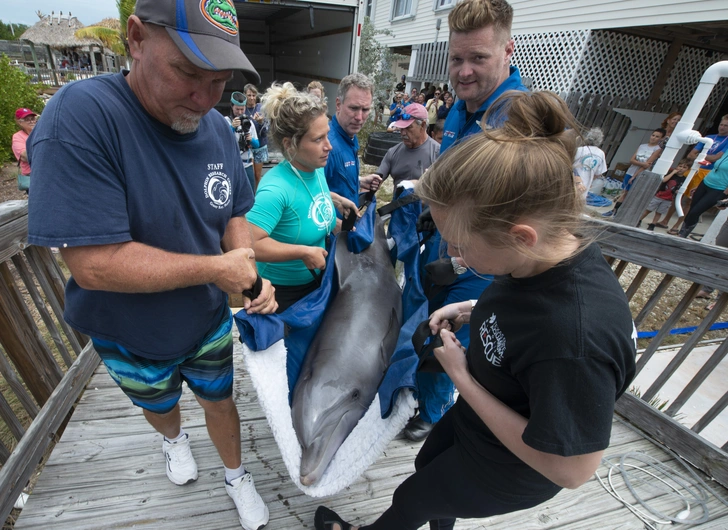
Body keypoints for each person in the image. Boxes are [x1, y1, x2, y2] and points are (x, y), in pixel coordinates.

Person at [314, 90, 637, 530]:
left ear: (521, 237)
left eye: (461, 245)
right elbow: (529, 301)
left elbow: (572, 470)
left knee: (412, 499)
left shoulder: (576, 339)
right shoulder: (548, 253)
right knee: (427, 466)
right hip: (476, 424)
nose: (452, 253)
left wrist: (461, 377)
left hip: (512, 465)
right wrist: (475, 305)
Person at [25, 2, 278, 529]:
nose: (205, 99)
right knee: (157, 400)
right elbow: (95, 264)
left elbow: (232, 210)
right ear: (135, 39)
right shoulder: (82, 115)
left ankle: (235, 475)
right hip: (124, 330)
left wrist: (245, 267)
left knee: (220, 398)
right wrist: (216, 270)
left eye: (220, 81)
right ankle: (172, 439)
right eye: (187, 73)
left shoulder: (214, 127)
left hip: (205, 320)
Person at [404, 0, 528, 443]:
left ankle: (437, 416)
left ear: (508, 50)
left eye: (479, 58)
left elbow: (517, 215)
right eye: (457, 59)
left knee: (450, 343)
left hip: (483, 262)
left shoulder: (518, 119)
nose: (464, 71)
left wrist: (461, 255)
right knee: (427, 329)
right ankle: (423, 397)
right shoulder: (458, 108)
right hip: (444, 248)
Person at [246, 83, 358, 312]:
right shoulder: (274, 190)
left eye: (327, 135)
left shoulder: (314, 167)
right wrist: (302, 252)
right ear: (290, 145)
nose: (329, 146)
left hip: (317, 282)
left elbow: (308, 194)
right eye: (318, 140)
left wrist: (334, 199)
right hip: (281, 295)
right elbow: (251, 245)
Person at [325, 73, 381, 206]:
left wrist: (359, 181)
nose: (359, 117)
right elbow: (309, 193)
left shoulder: (349, 134)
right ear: (338, 104)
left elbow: (335, 178)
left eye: (365, 109)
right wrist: (335, 223)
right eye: (354, 108)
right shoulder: (327, 146)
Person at [664, 114, 728, 232]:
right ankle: (665, 220)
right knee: (678, 194)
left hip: (708, 172)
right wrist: (704, 157)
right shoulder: (709, 137)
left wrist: (700, 156)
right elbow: (690, 155)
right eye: (721, 124)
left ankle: (678, 226)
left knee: (690, 201)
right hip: (695, 169)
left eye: (726, 126)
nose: (722, 127)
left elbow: (715, 159)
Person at [364, 103, 440, 188]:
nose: (403, 133)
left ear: (422, 125)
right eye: (401, 128)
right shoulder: (393, 152)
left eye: (408, 127)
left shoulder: (438, 153)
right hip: (398, 201)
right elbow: (374, 182)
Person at [601, 128, 665, 218]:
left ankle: (622, 213)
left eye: (657, 137)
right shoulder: (642, 146)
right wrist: (641, 163)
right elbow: (632, 160)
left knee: (631, 194)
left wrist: (635, 175)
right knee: (624, 192)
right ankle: (614, 210)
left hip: (640, 174)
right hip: (631, 171)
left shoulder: (657, 149)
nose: (654, 138)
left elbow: (647, 165)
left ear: (660, 139)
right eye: (653, 135)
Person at [678, 150, 728, 239]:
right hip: (705, 183)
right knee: (691, 209)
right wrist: (698, 186)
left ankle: (684, 234)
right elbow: (714, 169)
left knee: (696, 211)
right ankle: (681, 233)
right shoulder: (726, 151)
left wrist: (723, 196)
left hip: (719, 189)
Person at [637, 159, 689, 231]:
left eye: (684, 167)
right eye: (680, 166)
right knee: (648, 209)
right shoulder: (670, 174)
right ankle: (639, 220)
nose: (681, 168)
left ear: (687, 169)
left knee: (659, 212)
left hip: (669, 199)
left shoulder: (684, 179)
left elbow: (682, 187)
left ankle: (653, 224)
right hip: (659, 195)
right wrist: (673, 172)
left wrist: (678, 191)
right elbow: (664, 180)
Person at [227, 91, 260, 193]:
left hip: (247, 164)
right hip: (233, 164)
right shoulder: (226, 121)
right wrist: (232, 128)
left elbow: (257, 145)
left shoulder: (249, 123)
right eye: (237, 109)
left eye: (242, 109)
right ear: (232, 107)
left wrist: (251, 139)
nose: (240, 112)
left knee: (250, 193)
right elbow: (222, 140)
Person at [242, 84, 269, 188]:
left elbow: (266, 131)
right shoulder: (242, 108)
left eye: (254, 95)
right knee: (249, 175)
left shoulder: (261, 108)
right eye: (249, 95)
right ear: (244, 95)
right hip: (247, 147)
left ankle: (256, 196)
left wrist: (261, 122)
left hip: (260, 146)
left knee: (257, 175)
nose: (252, 98)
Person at [572, 127, 607, 199]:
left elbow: (570, 166)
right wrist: (590, 179)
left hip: (572, 182)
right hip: (585, 186)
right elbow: (598, 173)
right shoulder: (601, 154)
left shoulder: (579, 150)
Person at [12, 108, 38, 193]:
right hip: (32, 176)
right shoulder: (17, 137)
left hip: (48, 172)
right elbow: (25, 156)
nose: (31, 121)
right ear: (20, 122)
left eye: (33, 118)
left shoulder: (40, 132)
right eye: (27, 119)